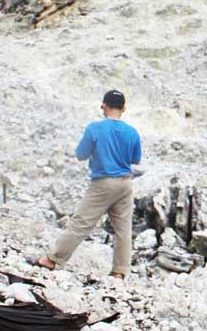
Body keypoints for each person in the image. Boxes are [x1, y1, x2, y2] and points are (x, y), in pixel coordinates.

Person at [33, 90, 142, 278]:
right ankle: (120, 271)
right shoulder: (132, 132)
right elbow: (136, 160)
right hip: (125, 183)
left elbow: (80, 154)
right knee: (123, 228)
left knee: (81, 222)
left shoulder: (94, 128)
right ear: (124, 108)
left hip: (102, 183)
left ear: (103, 105)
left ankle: (53, 259)